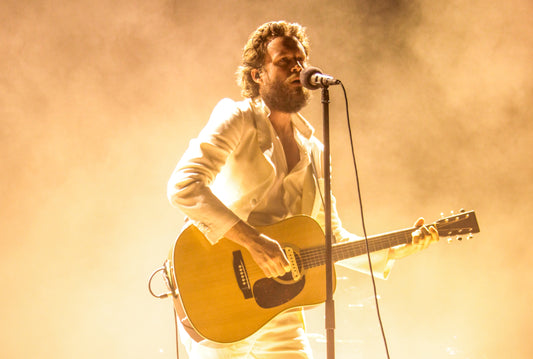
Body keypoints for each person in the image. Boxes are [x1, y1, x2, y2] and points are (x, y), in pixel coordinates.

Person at [167, 20, 439, 359]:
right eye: (284, 61)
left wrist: (392, 250)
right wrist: (253, 242)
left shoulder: (315, 151)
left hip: (282, 305)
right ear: (257, 75)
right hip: (221, 297)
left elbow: (330, 238)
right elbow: (184, 186)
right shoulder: (237, 118)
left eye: (301, 59)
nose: (298, 68)